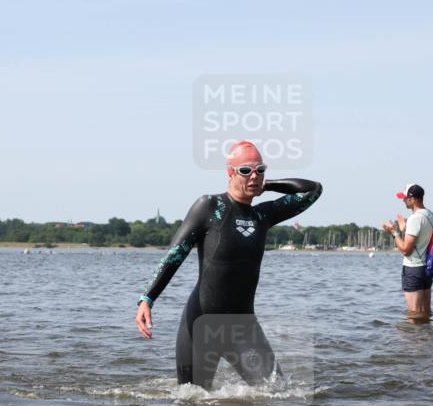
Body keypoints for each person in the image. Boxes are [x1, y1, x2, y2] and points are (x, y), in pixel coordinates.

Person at [135, 141, 322, 389]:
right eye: (246, 170)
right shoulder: (209, 207)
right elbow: (175, 253)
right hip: (201, 325)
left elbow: (313, 190)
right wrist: (147, 298)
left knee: (276, 392)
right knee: (192, 405)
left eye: (260, 170)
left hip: (244, 328)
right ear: (230, 172)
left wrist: (268, 186)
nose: (253, 176)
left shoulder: (263, 216)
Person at [383, 183, 433, 318]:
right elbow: (423, 237)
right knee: (425, 312)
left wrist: (394, 232)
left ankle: (413, 339)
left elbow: (406, 250)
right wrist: (404, 227)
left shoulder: (415, 219)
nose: (403, 200)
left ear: (412, 199)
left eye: (405, 198)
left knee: (415, 314)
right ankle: (427, 338)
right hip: (428, 268)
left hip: (414, 268)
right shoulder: (432, 216)